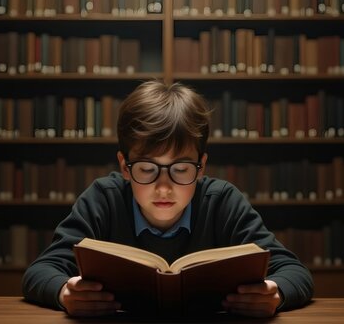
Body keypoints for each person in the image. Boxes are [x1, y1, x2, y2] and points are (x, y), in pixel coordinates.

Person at [22, 80, 314, 317]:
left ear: (201, 168)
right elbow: (40, 271)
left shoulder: (222, 201)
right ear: (125, 167)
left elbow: (294, 271)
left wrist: (275, 293)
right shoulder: (103, 199)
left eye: (181, 169)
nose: (164, 188)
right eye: (147, 169)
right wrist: (65, 292)